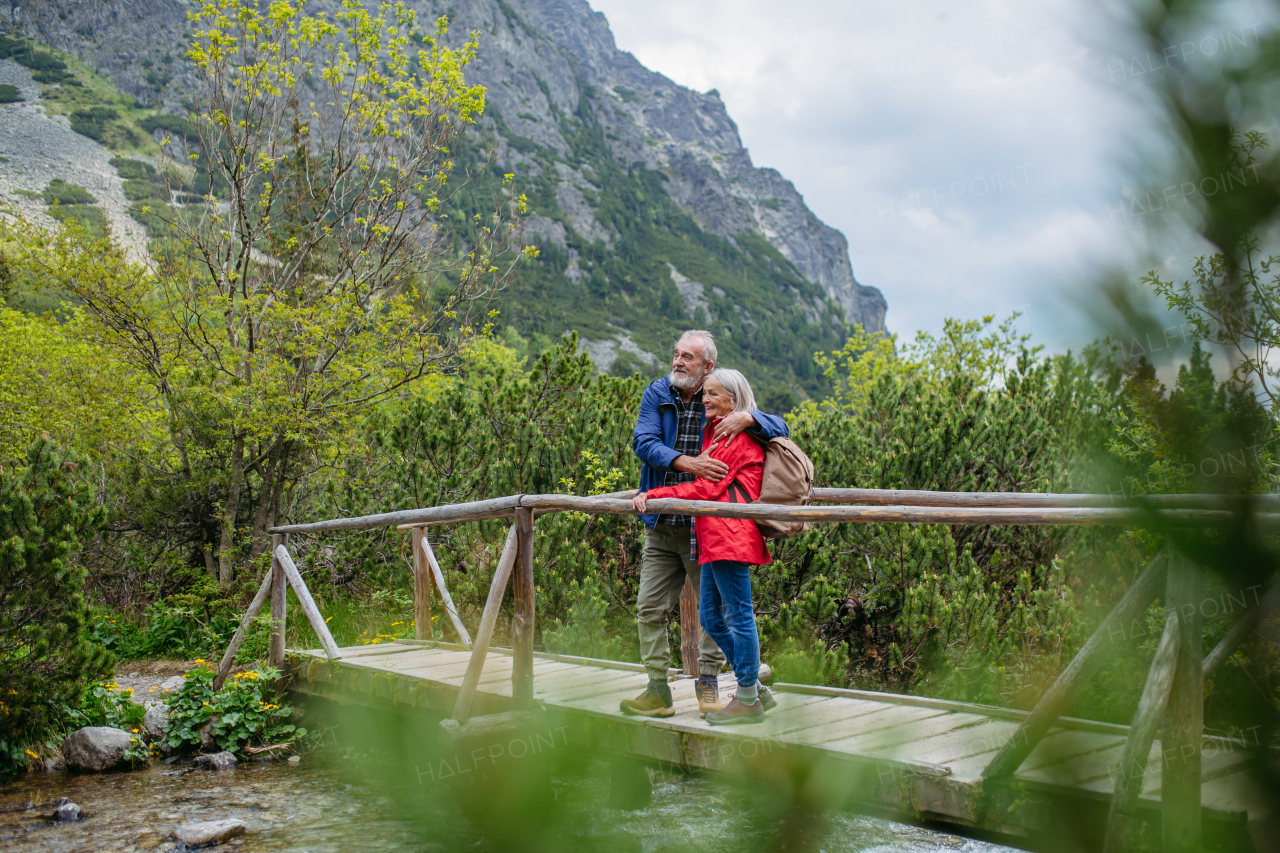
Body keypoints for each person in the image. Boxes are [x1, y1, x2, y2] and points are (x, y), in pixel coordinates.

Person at [619, 330, 788, 720]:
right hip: (672, 524)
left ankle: (726, 690)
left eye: (688, 357)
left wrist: (751, 417)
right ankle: (665, 691)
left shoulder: (731, 421)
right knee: (674, 610)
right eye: (676, 353)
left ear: (708, 367)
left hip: (711, 529)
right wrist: (685, 462)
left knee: (726, 615)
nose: (678, 361)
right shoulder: (660, 394)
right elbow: (644, 442)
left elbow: (779, 427)